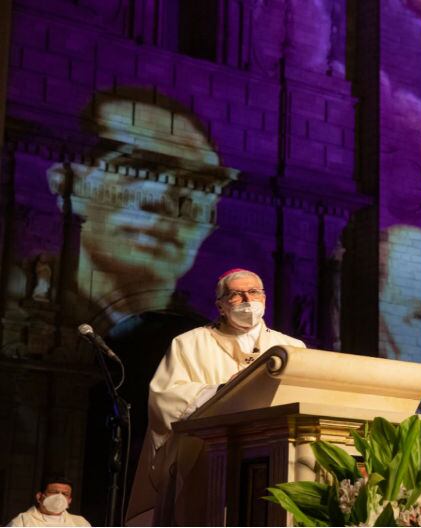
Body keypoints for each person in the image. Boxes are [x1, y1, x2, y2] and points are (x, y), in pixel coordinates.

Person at [125, 269, 305, 525]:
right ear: (220, 305)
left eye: (254, 292)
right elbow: (164, 396)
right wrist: (220, 392)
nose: (247, 299)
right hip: (205, 456)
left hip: (274, 453)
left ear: (264, 299)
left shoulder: (292, 348)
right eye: (236, 294)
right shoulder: (189, 344)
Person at [45, 87, 236, 326]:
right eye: (140, 169)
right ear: (67, 185)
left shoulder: (202, 338)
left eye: (199, 182)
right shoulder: (31, 305)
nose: (162, 199)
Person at [7, 476, 90, 527]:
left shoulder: (80, 522)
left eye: (65, 494)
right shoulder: (22, 521)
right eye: (54, 492)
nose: (59, 497)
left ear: (69, 501)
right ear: (39, 497)